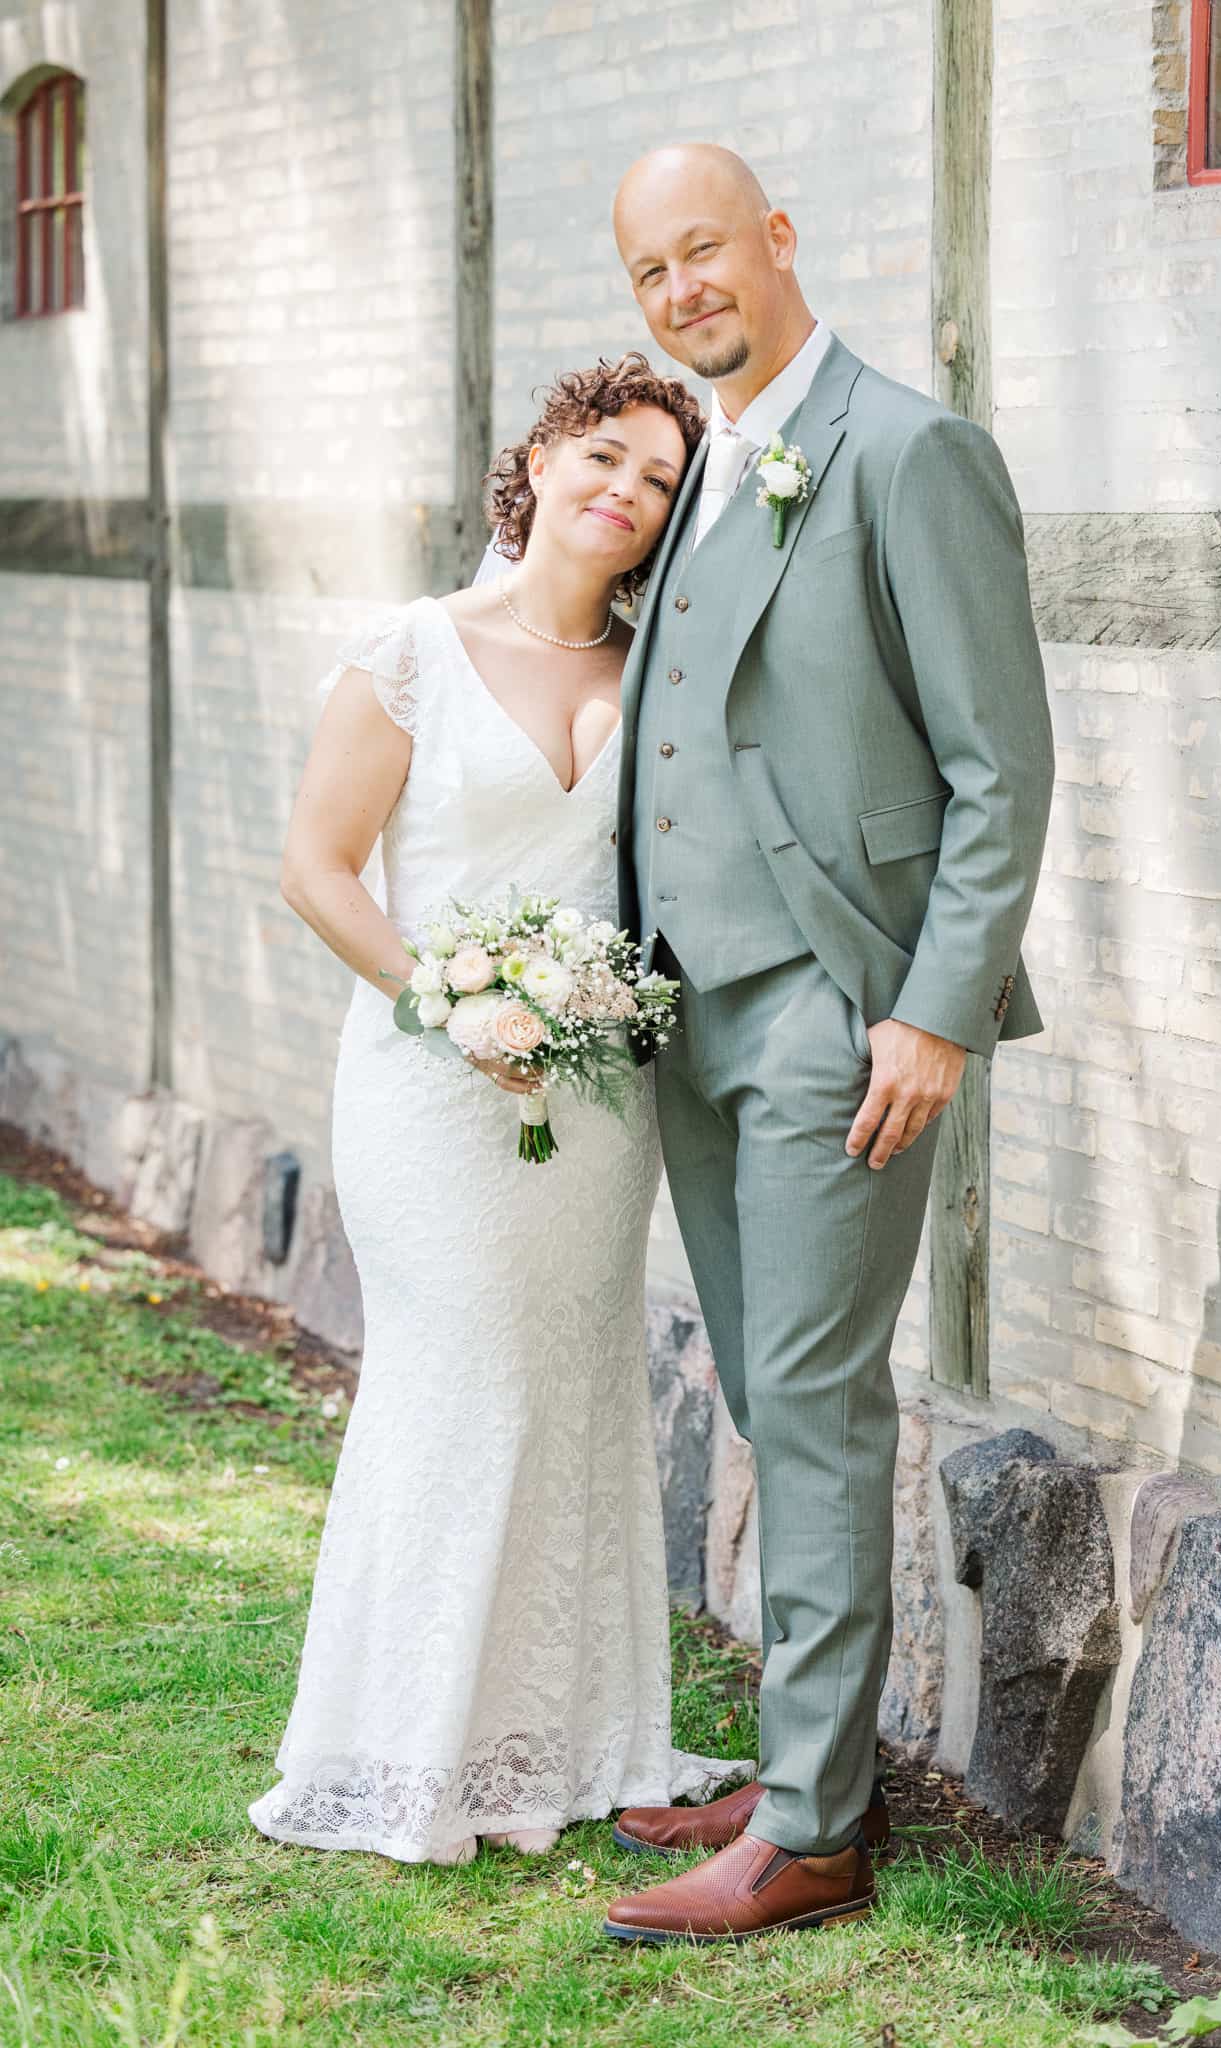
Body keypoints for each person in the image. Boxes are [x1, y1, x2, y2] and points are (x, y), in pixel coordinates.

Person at [601, 145, 1055, 1943]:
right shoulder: (702, 459)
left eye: (702, 249)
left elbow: (997, 769)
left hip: (833, 1013)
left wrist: (935, 1009)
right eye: (649, 272)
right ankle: (811, 1765)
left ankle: (811, 1834)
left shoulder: (906, 450)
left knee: (811, 1401)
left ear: (778, 238)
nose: (682, 290)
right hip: (687, 1011)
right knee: (767, 1395)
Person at [248, 355, 740, 1865]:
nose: (625, 491)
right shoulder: (413, 651)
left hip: (595, 1101)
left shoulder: (658, 672)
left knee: (574, 1384)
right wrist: (451, 1008)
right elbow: (319, 870)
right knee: (456, 1379)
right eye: (604, 455)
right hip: (429, 1089)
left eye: (658, 479)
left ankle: (565, 1736)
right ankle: (402, 1746)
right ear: (538, 461)